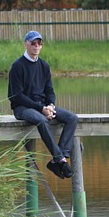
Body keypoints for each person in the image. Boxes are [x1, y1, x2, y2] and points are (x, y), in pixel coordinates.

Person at [8, 30, 78, 179]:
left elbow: (49, 90)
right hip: (22, 108)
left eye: (39, 43)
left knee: (72, 118)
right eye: (33, 43)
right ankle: (60, 159)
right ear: (26, 45)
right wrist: (42, 109)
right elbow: (17, 96)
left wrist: (51, 105)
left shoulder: (44, 66)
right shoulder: (17, 66)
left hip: (43, 106)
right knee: (42, 120)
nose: (36, 46)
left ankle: (59, 157)